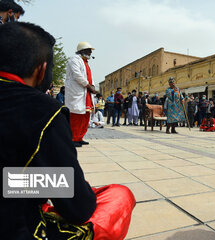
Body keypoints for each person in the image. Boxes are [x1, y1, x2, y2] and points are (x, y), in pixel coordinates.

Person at [0, 22, 135, 240]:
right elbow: (78, 208)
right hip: (14, 227)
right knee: (120, 195)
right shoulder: (43, 111)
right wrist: (50, 183)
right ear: (42, 70)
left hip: (9, 185)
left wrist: (25, 182)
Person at [65, 41, 96, 147]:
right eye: (88, 50)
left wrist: (92, 87)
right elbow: (77, 75)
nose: (90, 53)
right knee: (76, 116)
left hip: (86, 92)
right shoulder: (74, 60)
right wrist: (88, 86)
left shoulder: (85, 62)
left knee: (85, 116)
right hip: (78, 91)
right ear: (82, 51)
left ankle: (79, 137)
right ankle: (73, 139)